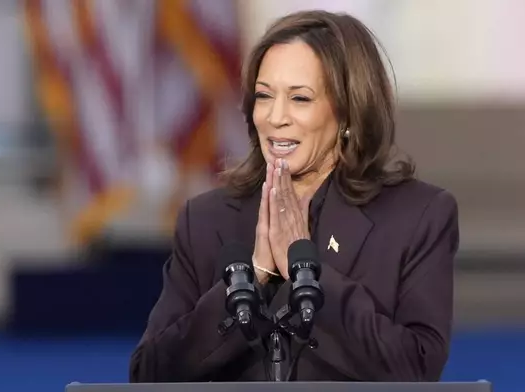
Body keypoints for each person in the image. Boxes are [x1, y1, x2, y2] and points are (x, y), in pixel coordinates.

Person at [129, 9, 458, 382]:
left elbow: (415, 370)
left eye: (300, 98)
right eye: (264, 96)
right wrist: (249, 281)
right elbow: (149, 375)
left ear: (349, 110)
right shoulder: (206, 219)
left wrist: (309, 278)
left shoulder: (416, 217)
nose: (275, 117)